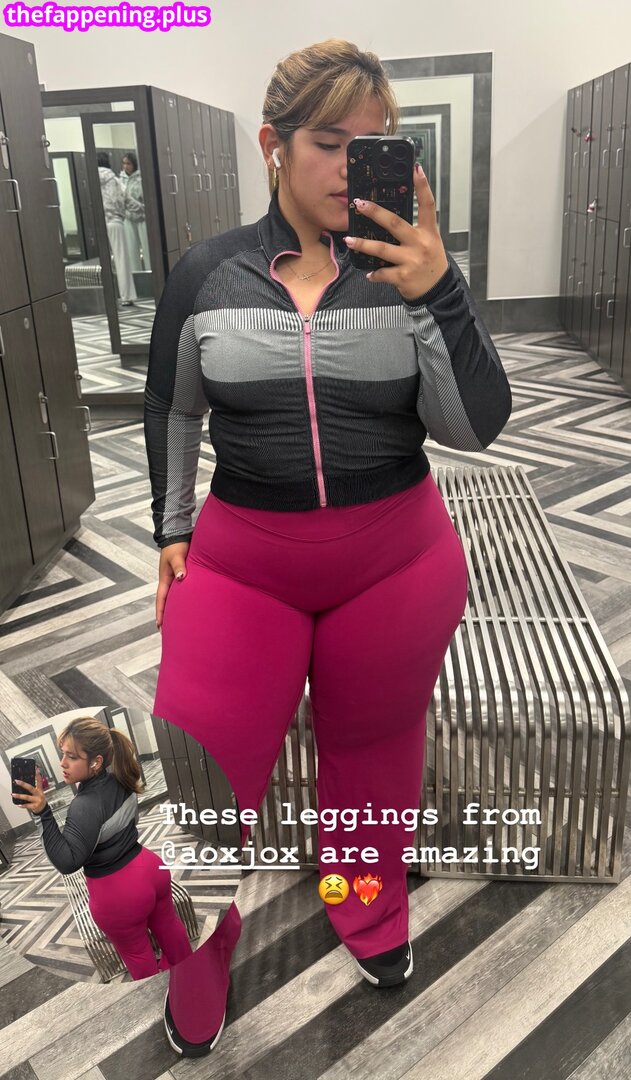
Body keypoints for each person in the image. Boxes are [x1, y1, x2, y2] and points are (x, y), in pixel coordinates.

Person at [144, 38, 512, 1057]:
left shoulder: (406, 272)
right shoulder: (207, 272)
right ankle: (201, 937)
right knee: (204, 759)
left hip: (395, 561)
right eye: (328, 141)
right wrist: (171, 528)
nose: (352, 165)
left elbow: (474, 427)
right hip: (242, 561)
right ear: (273, 144)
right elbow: (172, 408)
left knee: (374, 754)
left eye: (374, 143)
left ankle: (364, 893)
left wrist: (437, 291)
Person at [14, 716, 193, 980]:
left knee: (137, 953)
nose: (62, 763)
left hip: (120, 895)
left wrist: (42, 812)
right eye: (62, 754)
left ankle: (162, 994)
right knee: (168, 925)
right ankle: (193, 976)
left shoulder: (84, 805)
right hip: (151, 868)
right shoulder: (122, 777)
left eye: (72, 756)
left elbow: (67, 862)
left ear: (96, 762)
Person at [97, 151, 138, 306]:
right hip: (115, 221)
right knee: (121, 259)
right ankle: (126, 296)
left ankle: (108, 296)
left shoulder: (93, 179)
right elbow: (127, 200)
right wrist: (144, 208)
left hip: (101, 223)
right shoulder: (114, 180)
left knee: (106, 261)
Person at [121, 151, 151, 273]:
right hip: (128, 219)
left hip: (142, 219)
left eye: (128, 163)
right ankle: (136, 277)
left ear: (134, 164)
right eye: (124, 163)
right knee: (132, 250)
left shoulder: (141, 179)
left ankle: (150, 274)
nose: (125, 166)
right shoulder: (121, 179)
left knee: (148, 250)